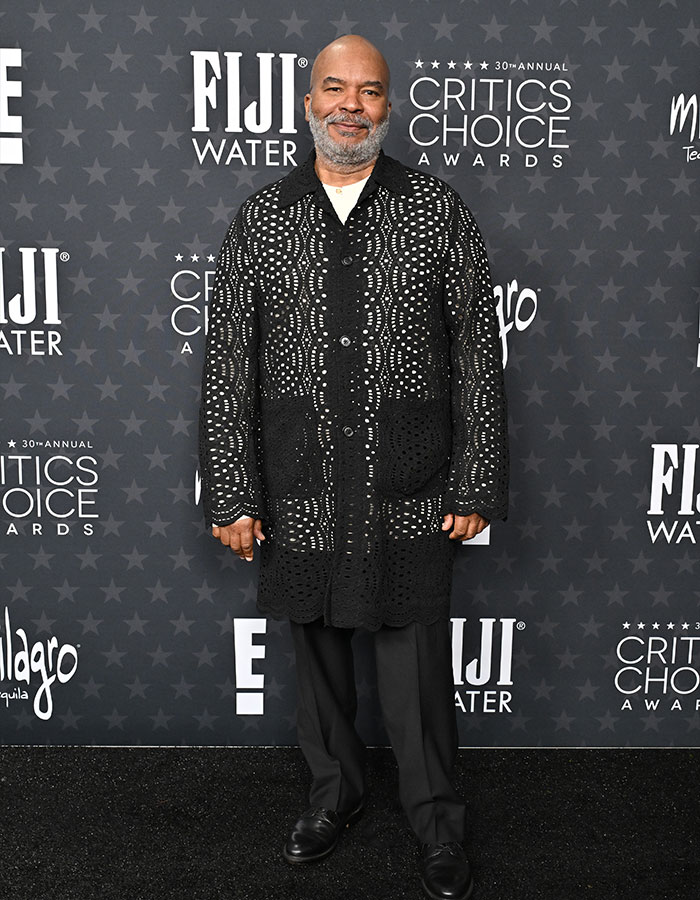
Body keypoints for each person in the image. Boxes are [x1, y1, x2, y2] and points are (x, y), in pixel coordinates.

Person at [199, 34, 508, 900]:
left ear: (387, 107)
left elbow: (478, 354)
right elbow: (229, 364)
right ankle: (334, 795)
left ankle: (437, 822)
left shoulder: (436, 209)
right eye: (334, 88)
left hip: (410, 479)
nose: (350, 105)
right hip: (300, 481)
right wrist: (232, 489)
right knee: (320, 656)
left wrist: (476, 475)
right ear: (307, 103)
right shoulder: (262, 218)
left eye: (369, 92)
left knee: (415, 666)